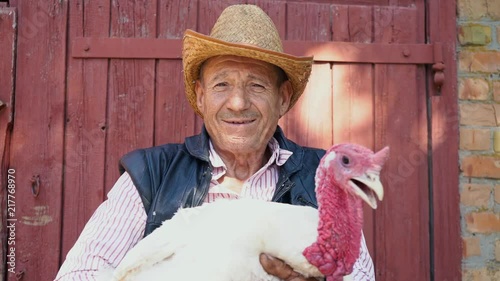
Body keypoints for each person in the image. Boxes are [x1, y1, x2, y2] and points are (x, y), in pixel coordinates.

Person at [55, 4, 375, 281]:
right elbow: (78, 275)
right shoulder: (152, 176)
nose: (237, 102)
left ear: (283, 98)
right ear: (201, 95)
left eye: (257, 85)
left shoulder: (324, 180)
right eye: (222, 84)